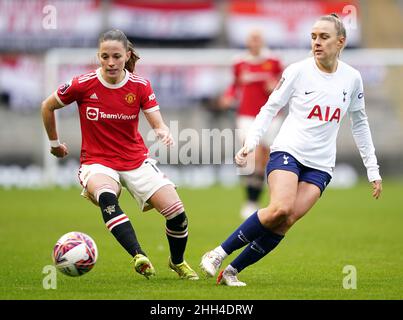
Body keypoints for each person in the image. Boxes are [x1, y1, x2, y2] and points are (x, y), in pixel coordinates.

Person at [200, 14, 382, 286]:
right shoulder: (298, 71)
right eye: (313, 37)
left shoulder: (352, 79)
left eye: (324, 37)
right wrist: (251, 142)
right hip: (288, 151)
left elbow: (360, 123)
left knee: (287, 220)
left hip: (321, 165)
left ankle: (231, 271)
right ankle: (218, 253)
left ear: (341, 41)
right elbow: (270, 108)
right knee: (280, 208)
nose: (317, 43)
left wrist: (372, 169)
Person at [41, 29, 199, 280]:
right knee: (106, 195)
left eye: (116, 56)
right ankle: (139, 255)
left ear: (127, 55)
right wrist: (54, 144)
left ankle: (177, 262)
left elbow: (157, 122)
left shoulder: (140, 85)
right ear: (99, 57)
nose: (111, 62)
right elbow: (47, 106)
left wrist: (162, 131)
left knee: (176, 212)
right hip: (97, 162)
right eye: (105, 57)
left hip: (135, 160)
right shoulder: (82, 84)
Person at [218, 29, 284, 219]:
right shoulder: (240, 62)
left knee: (266, 159)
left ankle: (272, 201)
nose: (254, 42)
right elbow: (235, 85)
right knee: (251, 156)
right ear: (247, 42)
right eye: (251, 39)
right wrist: (228, 97)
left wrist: (275, 86)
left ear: (262, 41)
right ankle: (251, 202)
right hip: (247, 116)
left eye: (257, 39)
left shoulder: (273, 60)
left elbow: (283, 83)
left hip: (271, 117)